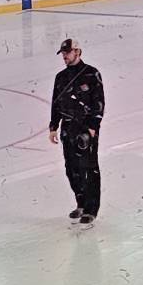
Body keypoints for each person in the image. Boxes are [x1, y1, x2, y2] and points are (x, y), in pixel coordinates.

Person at [48, 38, 106, 225]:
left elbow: (99, 103)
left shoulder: (91, 74)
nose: (64, 56)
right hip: (68, 128)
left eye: (68, 52)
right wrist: (53, 127)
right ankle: (81, 202)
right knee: (71, 168)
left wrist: (92, 128)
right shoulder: (60, 77)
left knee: (88, 167)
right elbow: (56, 103)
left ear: (78, 52)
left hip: (85, 128)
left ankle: (91, 208)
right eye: (63, 53)